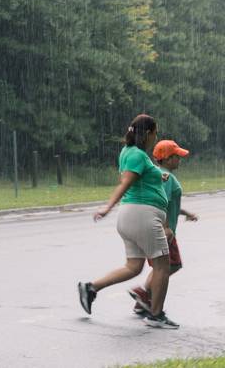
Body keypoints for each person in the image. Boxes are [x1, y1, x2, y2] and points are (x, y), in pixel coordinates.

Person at [78, 114, 178, 329]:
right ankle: (156, 314)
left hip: (131, 217)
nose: (156, 137)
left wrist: (157, 177)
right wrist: (107, 207)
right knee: (162, 266)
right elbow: (125, 183)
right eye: (156, 133)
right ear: (149, 133)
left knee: (133, 266)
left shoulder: (128, 152)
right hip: (143, 217)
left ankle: (91, 288)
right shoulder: (138, 156)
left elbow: (133, 179)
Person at [129, 139, 198, 316]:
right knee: (169, 267)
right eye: (177, 157)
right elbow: (163, 203)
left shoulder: (159, 174)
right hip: (163, 231)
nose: (179, 160)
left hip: (156, 228)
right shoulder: (166, 177)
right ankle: (145, 294)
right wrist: (166, 228)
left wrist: (185, 212)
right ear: (167, 159)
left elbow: (170, 204)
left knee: (163, 267)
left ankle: (144, 300)